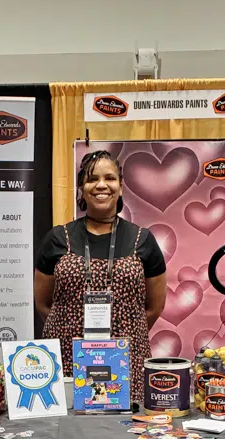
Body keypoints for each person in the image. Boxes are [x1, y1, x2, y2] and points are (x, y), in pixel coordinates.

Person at [34, 150, 167, 403]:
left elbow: (154, 307)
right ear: (82, 188)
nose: (101, 185)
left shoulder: (143, 240)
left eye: (110, 178)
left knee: (125, 430)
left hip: (125, 355)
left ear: (121, 186)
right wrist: (69, 327)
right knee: (68, 430)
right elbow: (43, 304)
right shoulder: (57, 238)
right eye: (92, 179)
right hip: (67, 352)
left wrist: (125, 330)